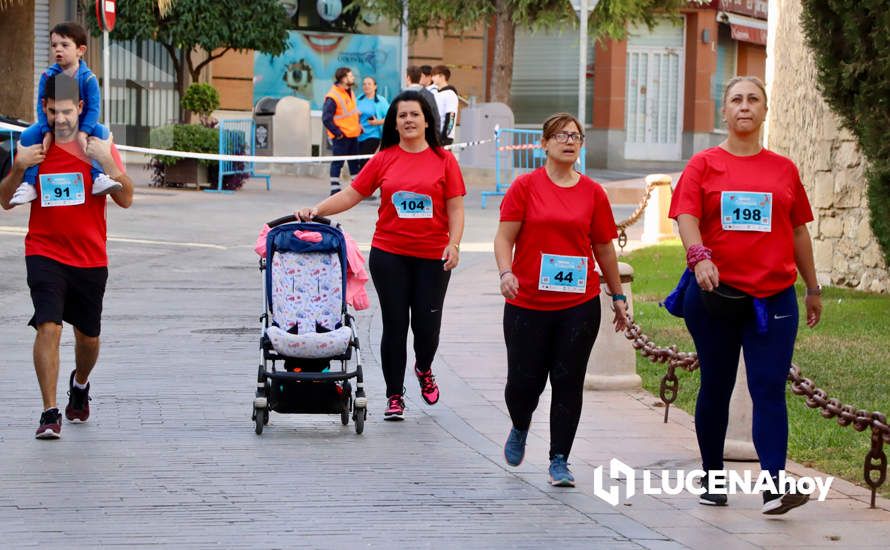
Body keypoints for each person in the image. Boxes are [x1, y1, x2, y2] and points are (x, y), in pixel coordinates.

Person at [668, 76, 822, 515]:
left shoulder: (783, 170)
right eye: (736, 99)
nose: (745, 106)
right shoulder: (704, 164)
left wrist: (811, 287)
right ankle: (713, 478)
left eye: (754, 99)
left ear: (765, 110)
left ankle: (774, 486)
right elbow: (685, 214)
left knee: (769, 387)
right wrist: (698, 257)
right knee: (716, 385)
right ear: (724, 110)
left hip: (774, 297)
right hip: (715, 294)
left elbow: (798, 230)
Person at [296, 90, 465, 421]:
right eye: (402, 115)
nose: (408, 120)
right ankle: (394, 396)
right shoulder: (385, 158)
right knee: (396, 324)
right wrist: (316, 210)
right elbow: (352, 193)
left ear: (428, 119)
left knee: (428, 327)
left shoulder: (445, 161)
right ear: (395, 122)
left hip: (433, 256)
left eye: (415, 114)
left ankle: (424, 367)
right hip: (390, 254)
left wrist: (455, 243)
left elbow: (456, 207)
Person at [494, 113, 628, 487]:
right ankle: (520, 424)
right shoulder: (525, 187)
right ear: (545, 143)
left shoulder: (593, 193)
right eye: (561, 135)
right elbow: (504, 238)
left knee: (568, 381)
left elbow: (603, 246)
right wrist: (506, 273)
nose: (570, 141)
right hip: (527, 303)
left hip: (578, 305)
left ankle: (559, 459)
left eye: (576, 136)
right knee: (523, 383)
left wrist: (617, 294)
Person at [0, 73, 134, 439]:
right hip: (44, 252)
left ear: (81, 109)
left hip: (90, 257)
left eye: (67, 112)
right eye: (54, 111)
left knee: (87, 338)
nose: (61, 119)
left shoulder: (97, 143)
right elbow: (6, 201)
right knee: (49, 326)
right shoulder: (33, 147)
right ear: (45, 109)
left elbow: (126, 198)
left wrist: (109, 163)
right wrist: (18, 167)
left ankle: (81, 382)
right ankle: (49, 411)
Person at [10, 21, 120, 206]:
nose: (58, 50)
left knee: (102, 133)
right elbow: (40, 106)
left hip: (85, 125)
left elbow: (93, 109)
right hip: (52, 127)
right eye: (54, 45)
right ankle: (29, 184)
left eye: (64, 45)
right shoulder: (47, 76)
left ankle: (98, 177)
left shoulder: (89, 78)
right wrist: (45, 131)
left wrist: (84, 132)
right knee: (29, 134)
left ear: (81, 50)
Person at [322, 67, 362, 196]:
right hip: (342, 135)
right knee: (338, 162)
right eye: (350, 76)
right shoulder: (333, 96)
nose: (353, 78)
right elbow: (326, 118)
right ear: (344, 79)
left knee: (354, 163)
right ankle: (335, 189)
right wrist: (338, 133)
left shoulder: (349, 92)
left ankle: (356, 188)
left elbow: (350, 113)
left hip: (352, 134)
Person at [356, 76, 389, 174]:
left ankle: (362, 184)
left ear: (375, 86)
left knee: (364, 161)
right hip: (359, 135)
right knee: (358, 161)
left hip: (373, 135)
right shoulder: (358, 99)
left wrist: (377, 122)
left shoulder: (381, 101)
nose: (366, 86)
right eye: (364, 84)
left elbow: (390, 116)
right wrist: (356, 116)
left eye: (369, 84)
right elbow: (350, 114)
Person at [404, 66, 440, 140]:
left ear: (408, 78)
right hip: (425, 138)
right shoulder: (429, 95)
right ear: (420, 77)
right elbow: (435, 118)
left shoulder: (401, 96)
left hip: (406, 138)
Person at [431, 65, 459, 146]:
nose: (432, 78)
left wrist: (445, 137)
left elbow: (451, 116)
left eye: (434, 75)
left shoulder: (450, 94)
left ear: (441, 76)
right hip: (434, 135)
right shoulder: (435, 93)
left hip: (443, 137)